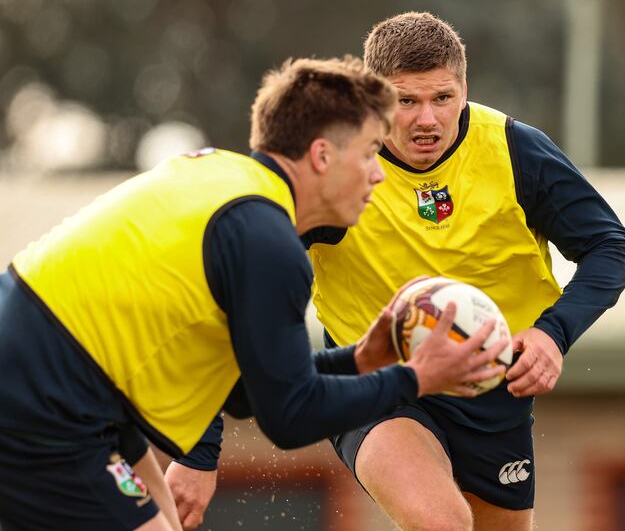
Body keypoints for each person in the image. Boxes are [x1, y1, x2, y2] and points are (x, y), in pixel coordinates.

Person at [168, 12, 625, 531]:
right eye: (404, 101)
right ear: (372, 99)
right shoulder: (337, 170)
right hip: (378, 385)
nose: (427, 120)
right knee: (441, 523)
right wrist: (197, 450)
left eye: (442, 98)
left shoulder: (514, 150)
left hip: (494, 390)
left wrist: (553, 334)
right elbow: (226, 294)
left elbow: (610, 247)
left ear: (464, 89)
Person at [0, 56, 509, 531]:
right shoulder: (268, 240)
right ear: (322, 155)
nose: (379, 173)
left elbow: (247, 393)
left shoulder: (226, 177)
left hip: (59, 381)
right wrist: (416, 378)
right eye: (371, 153)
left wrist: (364, 357)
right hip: (44, 397)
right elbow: (289, 417)